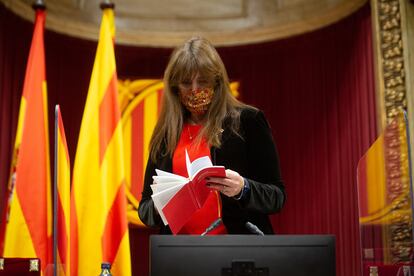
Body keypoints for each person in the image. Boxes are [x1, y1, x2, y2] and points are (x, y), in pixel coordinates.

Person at [138, 36, 285, 235]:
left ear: (217, 82)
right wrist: (160, 205)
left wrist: (244, 188)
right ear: (174, 88)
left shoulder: (248, 121)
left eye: (203, 81)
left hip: (237, 251)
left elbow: (276, 197)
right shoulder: (166, 134)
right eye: (186, 83)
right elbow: (144, 210)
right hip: (179, 256)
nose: (195, 90)